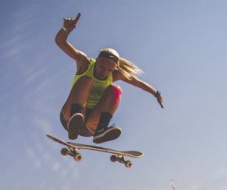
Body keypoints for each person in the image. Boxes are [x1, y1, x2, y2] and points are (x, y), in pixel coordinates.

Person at [56, 13, 164, 144]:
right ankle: (75, 118)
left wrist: (156, 93)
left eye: (109, 70)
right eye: (101, 67)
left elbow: (138, 83)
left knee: (116, 89)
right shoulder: (84, 63)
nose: (104, 72)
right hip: (69, 117)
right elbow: (61, 42)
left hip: (90, 125)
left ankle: (100, 131)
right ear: (96, 61)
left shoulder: (115, 74)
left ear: (114, 69)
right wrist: (65, 29)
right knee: (86, 80)